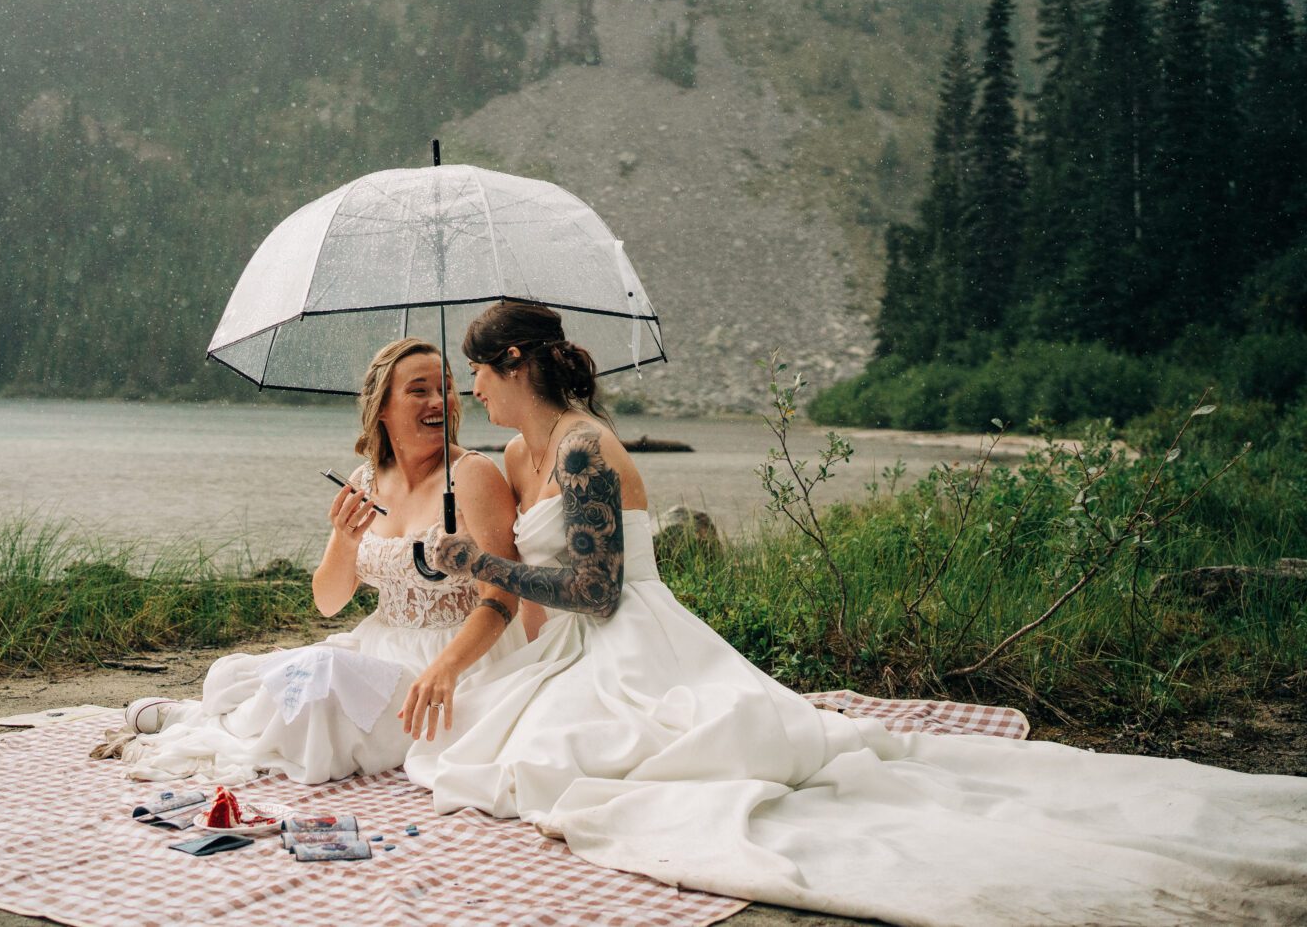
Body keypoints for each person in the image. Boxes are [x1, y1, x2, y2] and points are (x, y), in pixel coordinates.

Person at [406, 301, 1307, 927]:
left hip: (628, 632)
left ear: (515, 362)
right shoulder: (533, 448)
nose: (470, 390)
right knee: (506, 755)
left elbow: (600, 591)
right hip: (580, 646)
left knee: (575, 767)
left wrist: (482, 562)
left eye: (477, 372)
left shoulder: (585, 448)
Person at [115, 337, 527, 786]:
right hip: (378, 646)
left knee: (319, 683)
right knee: (261, 673)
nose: (439, 401)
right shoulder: (365, 480)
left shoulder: (472, 475)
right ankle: (205, 718)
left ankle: (208, 727)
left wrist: (445, 668)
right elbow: (328, 602)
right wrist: (344, 539)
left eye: (446, 387)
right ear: (382, 407)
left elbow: (504, 595)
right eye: (419, 389)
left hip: (457, 659)